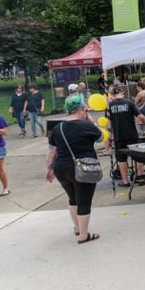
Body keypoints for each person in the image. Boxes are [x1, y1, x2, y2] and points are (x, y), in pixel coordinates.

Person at [45, 96, 102, 244]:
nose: (86, 112)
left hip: (61, 168)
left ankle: (77, 228)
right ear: (80, 110)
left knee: (73, 198)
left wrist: (49, 168)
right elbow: (101, 137)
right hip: (82, 168)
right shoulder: (86, 126)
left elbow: (52, 151)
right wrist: (90, 120)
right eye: (86, 110)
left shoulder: (58, 128)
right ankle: (84, 235)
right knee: (84, 201)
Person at [106, 87, 145, 187]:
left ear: (113, 95)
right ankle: (140, 179)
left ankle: (125, 182)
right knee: (137, 156)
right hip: (131, 134)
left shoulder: (109, 105)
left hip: (118, 136)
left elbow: (108, 123)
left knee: (121, 159)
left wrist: (110, 138)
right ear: (122, 92)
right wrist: (143, 122)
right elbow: (141, 116)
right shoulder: (129, 102)